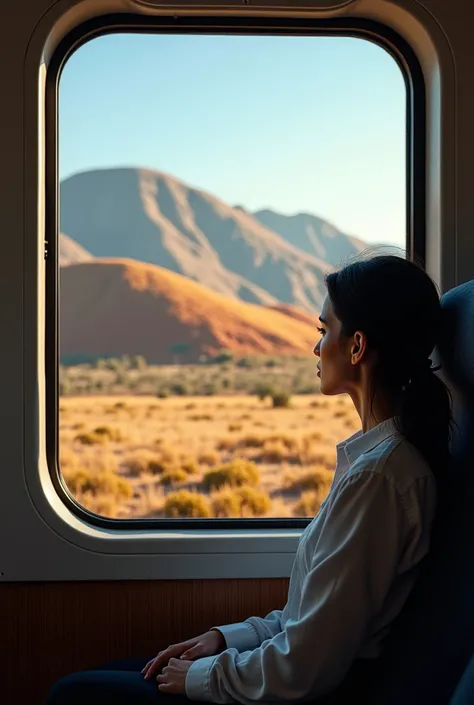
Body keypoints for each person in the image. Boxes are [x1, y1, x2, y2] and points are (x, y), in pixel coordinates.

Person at [46, 254, 452, 705]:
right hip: (291, 678)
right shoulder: (376, 461)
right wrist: (225, 639)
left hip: (308, 695)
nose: (316, 349)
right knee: (104, 676)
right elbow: (313, 618)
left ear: (356, 347)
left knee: (74, 693)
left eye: (323, 331)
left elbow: (305, 664)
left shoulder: (380, 477)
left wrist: (202, 677)